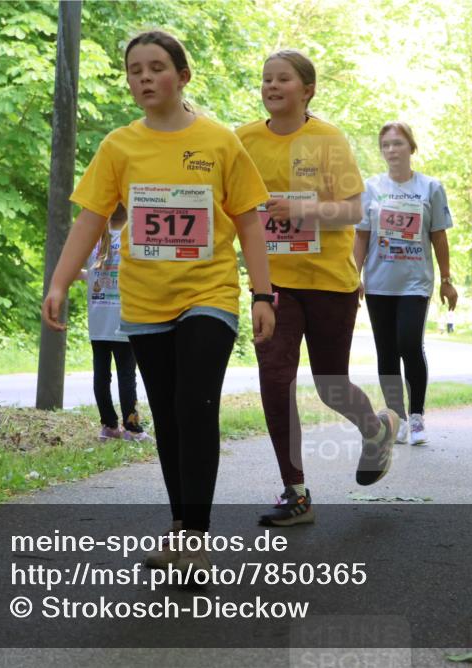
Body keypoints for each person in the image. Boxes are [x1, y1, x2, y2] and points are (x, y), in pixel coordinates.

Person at [41, 31, 275, 573]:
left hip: (209, 293)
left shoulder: (219, 142)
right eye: (135, 70)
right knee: (168, 416)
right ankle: (180, 525)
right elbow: (91, 219)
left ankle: (195, 538)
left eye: (156, 67)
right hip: (145, 301)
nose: (144, 77)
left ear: (183, 76)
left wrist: (263, 293)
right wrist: (59, 283)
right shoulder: (119, 146)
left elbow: (248, 221)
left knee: (195, 403)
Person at [236, 50, 400, 527]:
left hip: (329, 281)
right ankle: (295, 492)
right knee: (275, 378)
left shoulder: (328, 139)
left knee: (330, 385)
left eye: (282, 79)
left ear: (307, 90)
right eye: (266, 79)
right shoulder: (243, 140)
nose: (271, 86)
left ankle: (377, 430)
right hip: (273, 284)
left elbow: (353, 210)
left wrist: (302, 210)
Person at [353, 121, 456, 447]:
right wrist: (354, 275)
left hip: (415, 282)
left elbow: (439, 236)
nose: (391, 150)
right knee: (386, 351)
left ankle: (417, 416)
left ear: (411, 147)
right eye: (385, 145)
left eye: (397, 143)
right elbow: (361, 235)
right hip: (379, 282)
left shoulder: (430, 187)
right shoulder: (371, 188)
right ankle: (396, 417)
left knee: (409, 344)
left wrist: (447, 280)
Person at [82, 204, 149, 442]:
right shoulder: (132, 238)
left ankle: (108, 426)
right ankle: (132, 429)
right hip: (123, 318)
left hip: (98, 320)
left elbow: (87, 273)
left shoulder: (95, 238)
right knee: (126, 375)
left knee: (101, 375)